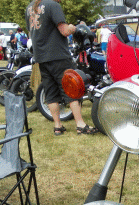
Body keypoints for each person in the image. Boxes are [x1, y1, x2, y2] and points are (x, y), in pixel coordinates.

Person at [26, 0, 98, 135]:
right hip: (58, 55)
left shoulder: (30, 8)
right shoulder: (53, 5)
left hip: (41, 57)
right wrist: (72, 27)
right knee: (71, 89)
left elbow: (31, 33)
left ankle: (58, 126)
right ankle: (80, 125)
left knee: (50, 92)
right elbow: (64, 31)